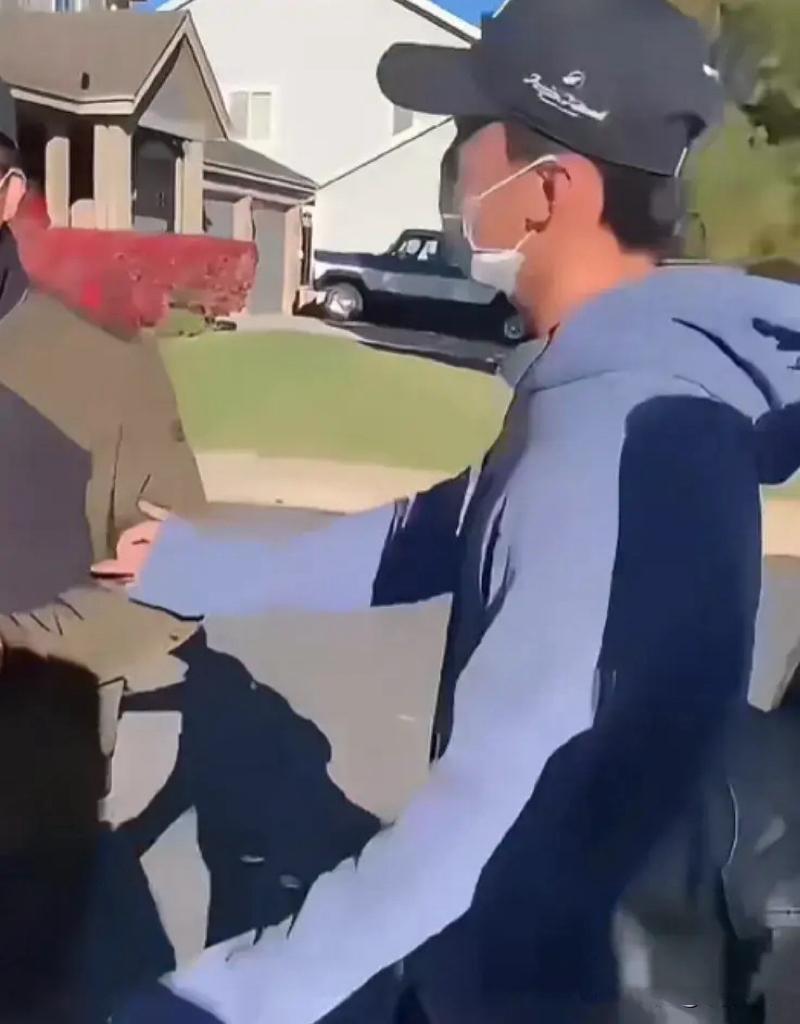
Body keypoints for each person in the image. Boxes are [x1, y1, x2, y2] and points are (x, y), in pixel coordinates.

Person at [106, 0, 800, 1020]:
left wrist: (222, 1002)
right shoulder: (613, 387)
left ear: (547, 191)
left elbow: (478, 832)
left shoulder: (609, 445)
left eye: (470, 138)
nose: (457, 171)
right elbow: (439, 528)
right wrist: (198, 564)